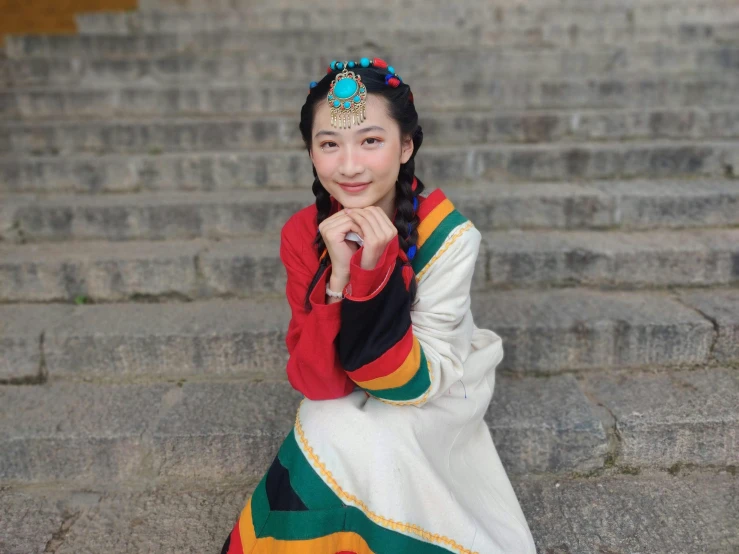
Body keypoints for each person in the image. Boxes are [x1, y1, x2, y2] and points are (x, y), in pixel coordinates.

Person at [220, 57, 537, 554]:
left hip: (436, 378)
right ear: (311, 153)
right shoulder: (304, 234)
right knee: (326, 419)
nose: (348, 165)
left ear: (405, 145)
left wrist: (374, 270)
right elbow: (318, 382)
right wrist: (340, 276)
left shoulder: (450, 237)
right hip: (352, 376)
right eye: (329, 144)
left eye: (371, 140)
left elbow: (411, 384)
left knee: (364, 436)